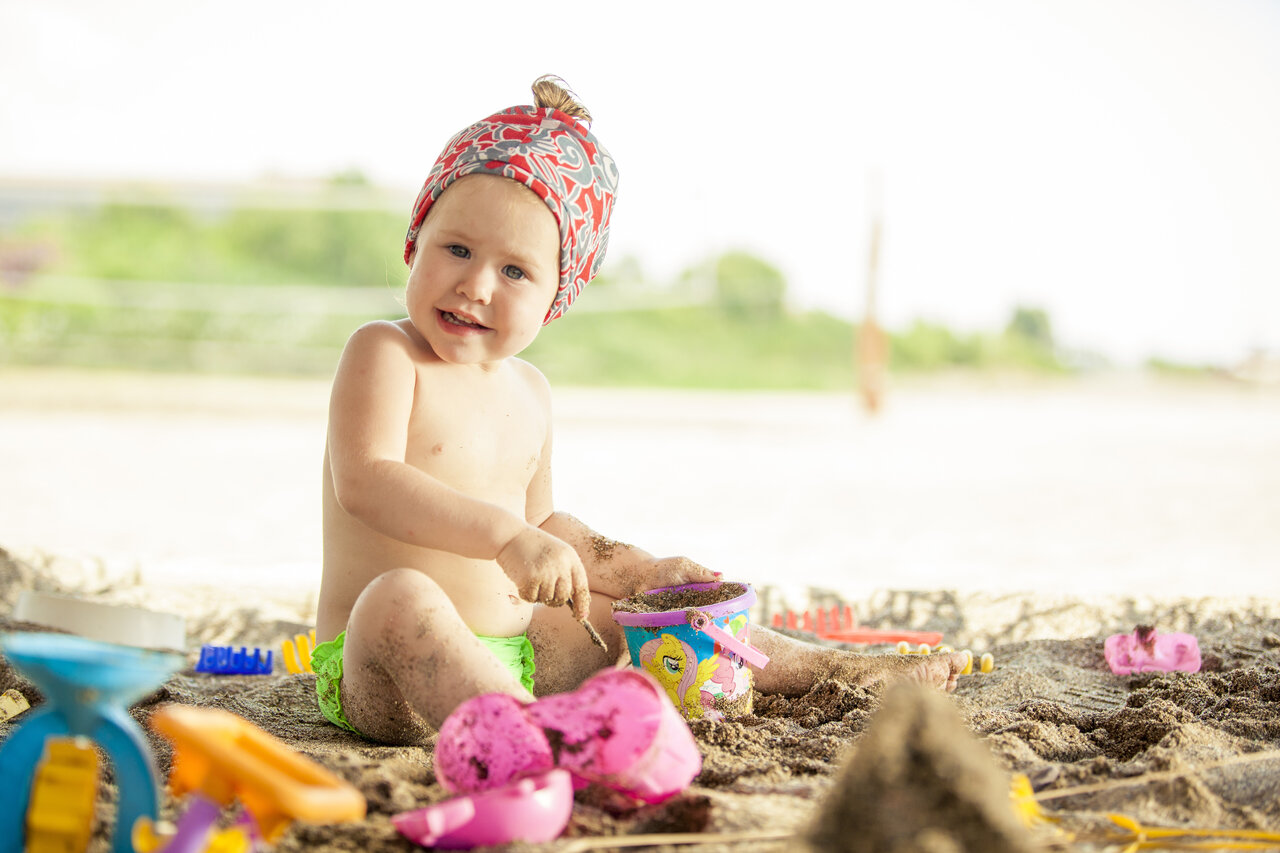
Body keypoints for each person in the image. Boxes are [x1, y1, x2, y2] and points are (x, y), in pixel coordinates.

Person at [313, 76, 966, 746]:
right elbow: (365, 480)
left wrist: (640, 570)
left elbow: (546, 527)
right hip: (385, 668)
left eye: (514, 272)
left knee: (643, 604)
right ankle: (538, 738)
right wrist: (507, 538)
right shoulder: (385, 351)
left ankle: (832, 668)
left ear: (555, 298)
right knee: (400, 595)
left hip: (513, 657)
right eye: (456, 248)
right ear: (413, 243)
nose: (476, 285)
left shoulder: (530, 392)